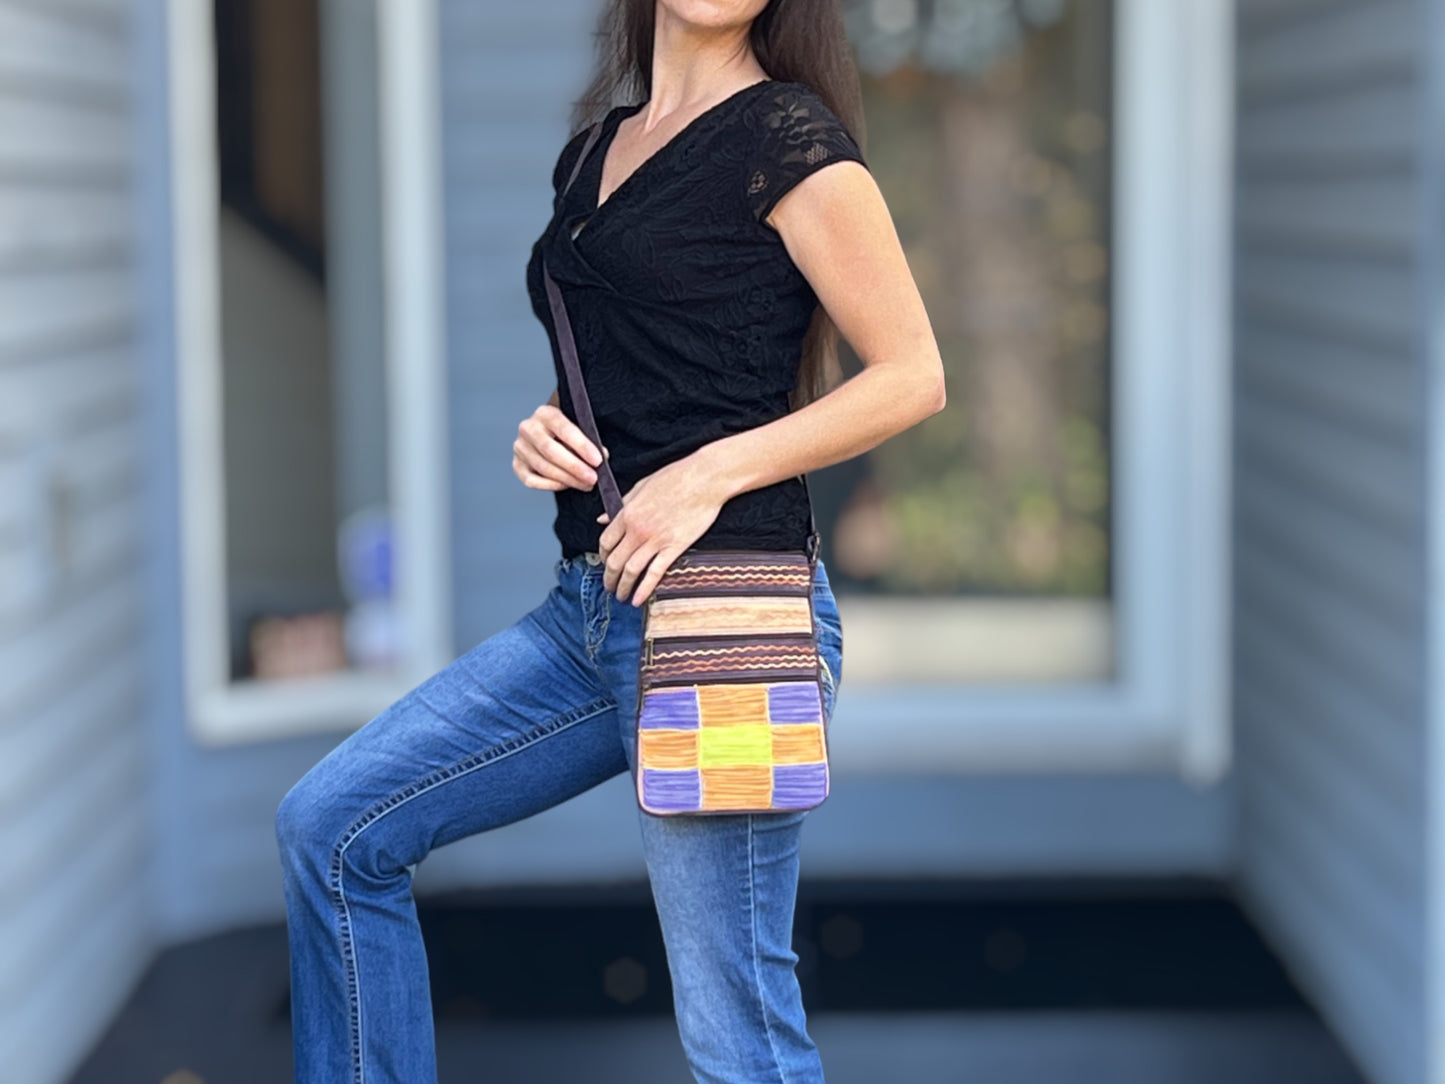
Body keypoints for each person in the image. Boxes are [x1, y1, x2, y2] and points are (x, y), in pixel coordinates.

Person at [274, 0, 945, 1080]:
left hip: (722, 620)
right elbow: (644, 361)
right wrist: (552, 421)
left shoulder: (788, 140)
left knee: (739, 1031)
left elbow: (912, 374)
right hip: (587, 613)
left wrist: (706, 474)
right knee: (334, 828)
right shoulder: (594, 151)